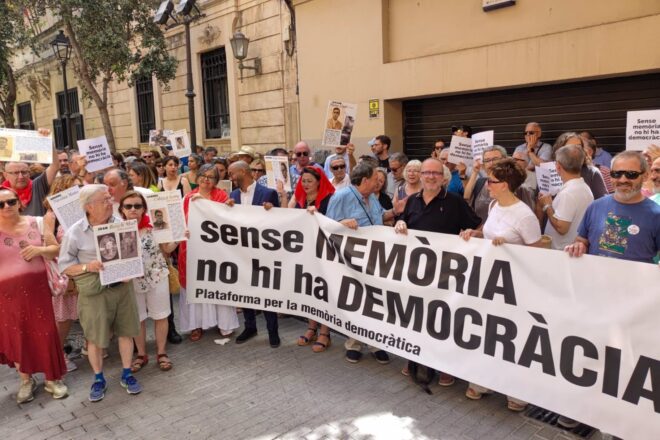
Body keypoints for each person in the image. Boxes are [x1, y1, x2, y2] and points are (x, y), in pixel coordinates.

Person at [460, 158, 544, 412]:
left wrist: (508, 248)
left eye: (492, 181)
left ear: (505, 185)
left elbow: (537, 253)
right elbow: (488, 228)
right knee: (489, 332)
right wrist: (474, 234)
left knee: (512, 337)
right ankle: (485, 381)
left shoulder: (525, 216)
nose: (487, 186)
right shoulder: (496, 205)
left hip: (515, 286)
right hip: (490, 282)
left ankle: (517, 390)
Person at [59, 184, 142, 402]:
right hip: (95, 293)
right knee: (94, 338)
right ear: (89, 207)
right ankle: (98, 378)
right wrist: (88, 267)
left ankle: (126, 373)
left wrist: (131, 269)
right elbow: (64, 267)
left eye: (109, 198)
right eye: (104, 200)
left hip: (122, 288)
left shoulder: (120, 224)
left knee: (126, 332)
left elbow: (133, 254)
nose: (110, 203)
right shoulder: (75, 232)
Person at [0, 187, 69, 403]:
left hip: (38, 292)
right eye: (0, 204)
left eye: (10, 201)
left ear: (19, 202)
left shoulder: (37, 222)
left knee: (46, 333)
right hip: (6, 297)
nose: (6, 207)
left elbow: (56, 249)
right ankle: (26, 380)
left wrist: (39, 251)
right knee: (17, 336)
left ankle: (52, 379)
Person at [326, 163, 395, 364]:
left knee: (377, 302)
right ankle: (353, 343)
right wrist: (342, 223)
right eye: (375, 179)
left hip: (376, 257)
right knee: (357, 301)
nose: (379, 182)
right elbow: (326, 226)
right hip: (351, 259)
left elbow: (379, 217)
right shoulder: (341, 196)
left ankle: (376, 344)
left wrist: (396, 211)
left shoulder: (372, 196)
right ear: (365, 180)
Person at [178, 164, 239, 342]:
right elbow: (182, 222)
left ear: (216, 180)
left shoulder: (222, 196)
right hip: (193, 250)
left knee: (217, 285)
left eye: (211, 176)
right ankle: (195, 325)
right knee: (194, 285)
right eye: (203, 175)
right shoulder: (188, 198)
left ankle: (224, 323)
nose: (206, 179)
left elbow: (228, 221)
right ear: (197, 178)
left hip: (216, 251)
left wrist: (228, 207)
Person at [565, 151, 660, 263]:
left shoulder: (656, 214)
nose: (623, 180)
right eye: (616, 174)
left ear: (645, 176)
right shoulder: (595, 206)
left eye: (631, 174)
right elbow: (582, 240)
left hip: (637, 280)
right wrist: (577, 246)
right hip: (595, 277)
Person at [119, 191, 177, 373]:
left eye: (137, 206)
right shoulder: (116, 230)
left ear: (144, 208)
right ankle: (142, 354)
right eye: (128, 206)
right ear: (122, 209)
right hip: (131, 282)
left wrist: (179, 236)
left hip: (157, 277)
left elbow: (167, 249)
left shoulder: (154, 227)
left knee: (161, 316)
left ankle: (161, 353)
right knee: (138, 319)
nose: (133, 210)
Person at [226, 161, 281, 347]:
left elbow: (282, 224)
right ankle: (250, 327)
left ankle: (273, 331)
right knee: (244, 290)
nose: (230, 177)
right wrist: (227, 209)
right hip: (242, 253)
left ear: (243, 171)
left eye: (232, 173)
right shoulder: (233, 195)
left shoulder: (268, 193)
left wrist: (272, 211)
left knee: (266, 292)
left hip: (264, 253)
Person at [287, 166, 335, 352]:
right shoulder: (299, 198)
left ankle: (325, 332)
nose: (305, 184)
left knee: (323, 291)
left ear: (319, 182)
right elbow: (287, 216)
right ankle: (311, 327)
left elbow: (334, 222)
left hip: (324, 252)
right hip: (305, 251)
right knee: (309, 289)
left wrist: (319, 215)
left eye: (309, 181)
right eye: (303, 181)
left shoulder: (330, 198)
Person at [43, 175, 82, 373]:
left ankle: (90, 349)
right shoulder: (51, 215)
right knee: (63, 319)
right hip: (65, 274)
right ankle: (58, 355)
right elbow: (49, 243)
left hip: (83, 271)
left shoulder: (84, 210)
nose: (79, 191)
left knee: (84, 313)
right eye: (74, 189)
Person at [537, 144, 594, 250]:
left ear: (558, 166)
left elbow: (562, 227)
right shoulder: (584, 187)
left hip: (560, 253)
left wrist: (547, 205)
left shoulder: (568, 193)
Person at [464, 146, 535, 224]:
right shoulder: (480, 183)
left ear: (505, 160)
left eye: (495, 159)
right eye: (487, 160)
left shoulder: (519, 188)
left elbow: (529, 220)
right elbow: (467, 198)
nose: (491, 163)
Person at [2, 129, 59, 216]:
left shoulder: (37, 186)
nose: (21, 176)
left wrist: (49, 143)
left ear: (29, 172)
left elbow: (55, 167)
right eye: (15, 173)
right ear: (5, 175)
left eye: (24, 172)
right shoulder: (1, 193)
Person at [552, 132, 608, 200]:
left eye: (578, 147)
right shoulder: (549, 170)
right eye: (570, 147)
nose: (576, 150)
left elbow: (602, 202)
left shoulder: (592, 173)